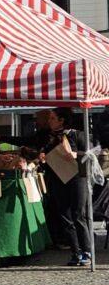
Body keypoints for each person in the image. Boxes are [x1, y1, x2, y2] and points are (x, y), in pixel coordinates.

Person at [43, 107, 92, 266]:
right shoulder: (50, 138)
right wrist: (43, 158)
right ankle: (75, 251)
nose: (49, 121)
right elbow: (46, 156)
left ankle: (87, 251)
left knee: (78, 214)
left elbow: (92, 153)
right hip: (58, 179)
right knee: (65, 215)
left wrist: (75, 155)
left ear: (61, 120)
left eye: (52, 118)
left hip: (78, 178)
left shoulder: (78, 135)